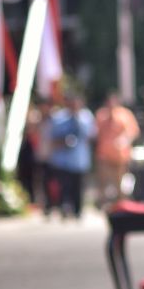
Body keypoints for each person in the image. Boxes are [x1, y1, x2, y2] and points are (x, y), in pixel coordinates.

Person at [47, 90, 95, 219]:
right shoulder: (59, 117)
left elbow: (91, 135)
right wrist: (63, 141)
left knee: (78, 187)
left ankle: (78, 211)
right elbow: (52, 138)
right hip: (63, 160)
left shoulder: (86, 117)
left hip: (80, 159)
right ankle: (64, 209)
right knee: (64, 187)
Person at [94, 91, 140, 208]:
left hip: (121, 157)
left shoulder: (125, 115)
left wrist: (124, 140)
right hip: (104, 156)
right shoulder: (101, 115)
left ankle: (121, 205)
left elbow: (133, 131)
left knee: (121, 184)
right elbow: (95, 133)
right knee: (104, 184)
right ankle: (104, 206)